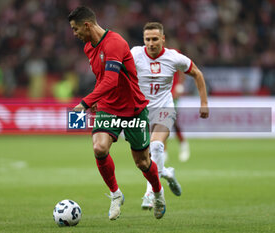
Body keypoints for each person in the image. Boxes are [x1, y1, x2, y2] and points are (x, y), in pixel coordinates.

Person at [68, 7, 166, 220]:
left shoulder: (115, 43)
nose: (74, 34)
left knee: (142, 162)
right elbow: (102, 77)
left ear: (87, 25)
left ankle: (158, 193)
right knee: (99, 147)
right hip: (107, 108)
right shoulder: (88, 48)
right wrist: (96, 100)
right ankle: (115, 194)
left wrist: (85, 103)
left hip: (133, 109)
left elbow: (112, 80)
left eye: (75, 29)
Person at [131, 22, 209, 209]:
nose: (151, 43)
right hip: (142, 113)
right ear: (143, 40)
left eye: (155, 39)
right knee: (144, 160)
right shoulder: (134, 54)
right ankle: (167, 173)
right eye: (147, 39)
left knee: (157, 146)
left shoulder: (173, 57)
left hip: (165, 109)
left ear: (163, 39)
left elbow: (197, 73)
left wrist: (204, 102)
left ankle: (152, 193)